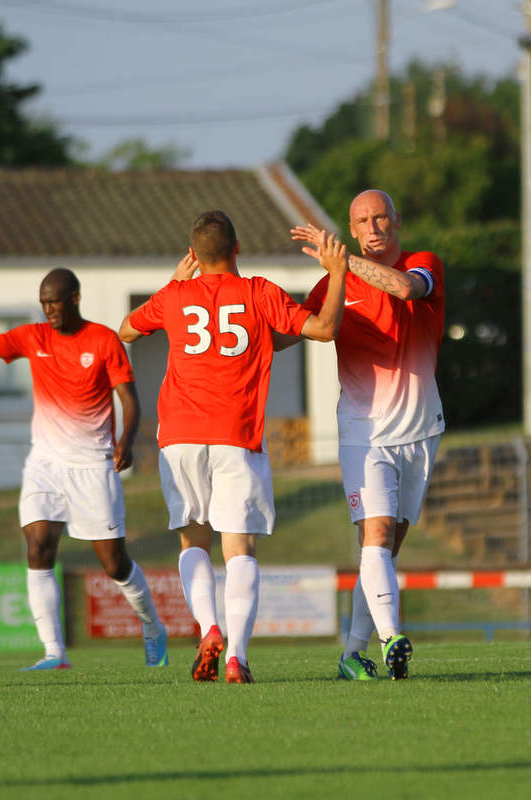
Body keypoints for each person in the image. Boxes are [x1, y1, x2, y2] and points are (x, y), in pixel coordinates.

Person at [0, 270, 168, 671]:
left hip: (93, 466)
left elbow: (129, 398)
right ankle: (54, 652)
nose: (48, 310)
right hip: (46, 463)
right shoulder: (32, 337)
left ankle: (152, 626)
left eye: (54, 301)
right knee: (38, 548)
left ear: (74, 297)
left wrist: (127, 439)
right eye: (43, 303)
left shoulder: (104, 340)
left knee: (113, 564)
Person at [119, 210, 346, 685]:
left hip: (178, 436)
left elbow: (126, 330)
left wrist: (172, 283)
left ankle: (210, 627)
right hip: (236, 435)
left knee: (191, 539)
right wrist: (338, 273)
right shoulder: (260, 292)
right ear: (237, 249)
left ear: (194, 256)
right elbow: (324, 329)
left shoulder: (175, 295)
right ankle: (237, 657)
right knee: (239, 549)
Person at [287, 189, 445, 681]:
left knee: (384, 552)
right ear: (352, 229)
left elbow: (403, 289)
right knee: (374, 539)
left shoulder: (425, 263)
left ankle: (352, 653)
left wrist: (345, 263)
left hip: (421, 431)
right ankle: (391, 637)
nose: (374, 226)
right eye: (363, 220)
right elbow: (296, 329)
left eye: (381, 217)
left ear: (397, 220)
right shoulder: (332, 285)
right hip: (364, 433)